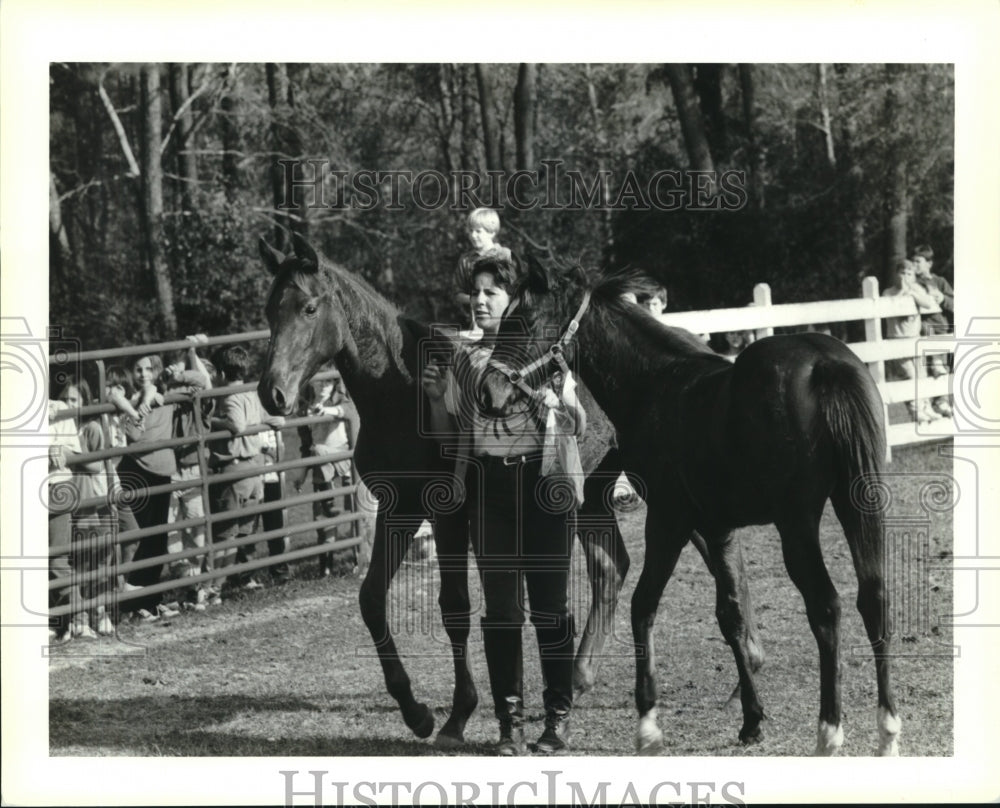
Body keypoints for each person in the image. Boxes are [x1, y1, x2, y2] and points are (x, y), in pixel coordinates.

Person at [422, 254, 586, 756]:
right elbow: (450, 442)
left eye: (491, 291)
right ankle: (508, 725)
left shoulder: (546, 353)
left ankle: (556, 721)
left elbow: (579, 425)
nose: (479, 300)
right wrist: (433, 399)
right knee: (501, 613)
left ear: (514, 301)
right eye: (475, 292)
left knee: (552, 611)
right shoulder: (463, 360)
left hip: (544, 489)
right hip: (490, 494)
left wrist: (555, 401)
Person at [208, 345, 284, 597]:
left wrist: (210, 421)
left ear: (220, 372)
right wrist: (259, 423)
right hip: (256, 468)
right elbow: (277, 419)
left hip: (234, 469)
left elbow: (237, 425)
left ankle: (214, 588)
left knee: (225, 534)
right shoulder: (252, 392)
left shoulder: (229, 395)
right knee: (244, 531)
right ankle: (238, 579)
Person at [117, 353, 180, 621]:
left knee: (158, 539)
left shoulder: (167, 397)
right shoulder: (128, 402)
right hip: (137, 472)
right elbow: (134, 435)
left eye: (149, 369)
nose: (143, 374)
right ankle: (133, 602)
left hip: (162, 472)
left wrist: (184, 363)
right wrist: (144, 401)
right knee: (139, 538)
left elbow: (202, 383)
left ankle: (152, 598)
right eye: (138, 369)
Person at [59, 378, 118, 637]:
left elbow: (98, 465)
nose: (69, 405)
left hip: (95, 503)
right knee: (79, 562)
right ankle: (80, 616)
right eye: (65, 400)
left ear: (84, 401)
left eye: (74, 400)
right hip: (73, 505)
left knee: (98, 561)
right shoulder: (59, 428)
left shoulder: (90, 428)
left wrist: (71, 455)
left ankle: (99, 612)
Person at [163, 336, 214, 611]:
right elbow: (158, 383)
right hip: (171, 469)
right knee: (171, 533)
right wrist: (171, 375)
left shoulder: (202, 401)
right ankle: (185, 585)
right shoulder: (169, 398)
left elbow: (202, 382)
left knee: (196, 528)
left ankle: (199, 588)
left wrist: (190, 355)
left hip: (192, 467)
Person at [292, 375, 354, 576]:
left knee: (355, 509)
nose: (323, 386)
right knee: (322, 517)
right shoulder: (304, 410)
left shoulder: (338, 401)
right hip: (321, 465)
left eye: (328, 382)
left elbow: (347, 411)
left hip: (344, 459)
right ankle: (326, 566)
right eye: (319, 381)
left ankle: (359, 558)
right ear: (310, 382)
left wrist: (326, 410)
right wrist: (302, 474)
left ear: (335, 383)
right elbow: (305, 446)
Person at [883, 257, 940, 424]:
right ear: (896, 274)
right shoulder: (888, 292)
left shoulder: (916, 288)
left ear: (914, 276)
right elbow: (890, 306)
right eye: (902, 273)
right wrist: (902, 291)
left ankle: (926, 407)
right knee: (909, 376)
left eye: (909, 273)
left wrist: (912, 292)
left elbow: (928, 304)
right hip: (897, 341)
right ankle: (916, 411)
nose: (905, 277)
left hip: (915, 341)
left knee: (922, 375)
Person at [47, 392, 85, 642]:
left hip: (54, 487)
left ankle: (78, 618)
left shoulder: (58, 407)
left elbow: (74, 452)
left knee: (57, 559)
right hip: (17, 489)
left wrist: (58, 447)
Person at [453, 208, 513, 329]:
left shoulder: (505, 255)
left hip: (506, 322)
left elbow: (515, 291)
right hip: (477, 324)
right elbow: (457, 294)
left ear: (491, 232)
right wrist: (477, 300)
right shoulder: (466, 260)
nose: (473, 235)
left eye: (478, 231)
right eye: (470, 231)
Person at [912, 244, 954, 417]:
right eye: (913, 261)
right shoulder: (912, 283)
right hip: (922, 333)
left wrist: (943, 298)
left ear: (929, 263)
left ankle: (942, 401)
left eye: (918, 262)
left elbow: (955, 304)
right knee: (924, 372)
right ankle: (928, 405)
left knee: (942, 370)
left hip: (941, 331)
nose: (915, 265)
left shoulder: (940, 282)